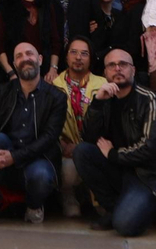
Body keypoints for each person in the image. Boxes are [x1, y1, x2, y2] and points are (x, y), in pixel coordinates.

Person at [73, 46, 156, 237]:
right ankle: (114, 207)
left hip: (147, 176)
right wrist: (97, 103)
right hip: (120, 170)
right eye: (111, 65)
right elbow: (88, 138)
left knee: (125, 226)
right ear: (105, 73)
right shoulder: (106, 98)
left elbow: (149, 148)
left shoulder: (151, 100)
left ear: (133, 70)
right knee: (82, 152)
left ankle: (151, 207)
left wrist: (113, 154)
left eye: (123, 64)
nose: (117, 69)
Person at [0, 40, 68, 228]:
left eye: (29, 54)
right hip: (4, 157)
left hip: (38, 159)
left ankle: (34, 206)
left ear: (40, 59)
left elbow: (49, 138)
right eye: (19, 56)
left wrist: (14, 157)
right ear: (14, 65)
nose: (25, 59)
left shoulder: (57, 97)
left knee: (40, 175)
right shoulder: (3, 91)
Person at [53, 35, 107, 218]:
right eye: (73, 52)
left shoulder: (104, 85)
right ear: (66, 57)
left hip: (95, 148)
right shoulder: (54, 86)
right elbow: (47, 124)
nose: (78, 57)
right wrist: (62, 143)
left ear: (91, 58)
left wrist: (85, 146)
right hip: (66, 150)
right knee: (67, 170)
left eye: (84, 54)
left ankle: (99, 198)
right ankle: (68, 196)